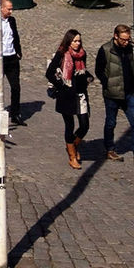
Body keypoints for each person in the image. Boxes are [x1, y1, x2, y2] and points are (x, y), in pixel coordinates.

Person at [95, 23, 134, 166]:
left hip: (128, 93)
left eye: (128, 39)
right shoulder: (105, 49)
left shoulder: (129, 48)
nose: (126, 42)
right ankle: (110, 149)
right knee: (110, 123)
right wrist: (106, 82)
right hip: (112, 94)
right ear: (115, 36)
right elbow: (98, 70)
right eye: (123, 40)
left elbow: (131, 67)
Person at [46, 28, 92, 169]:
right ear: (69, 41)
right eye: (74, 41)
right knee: (69, 125)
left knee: (84, 125)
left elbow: (82, 70)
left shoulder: (82, 54)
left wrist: (88, 77)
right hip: (66, 95)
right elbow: (49, 73)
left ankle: (73, 146)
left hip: (80, 93)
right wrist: (61, 85)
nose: (77, 44)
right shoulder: (61, 54)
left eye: (79, 41)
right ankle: (72, 156)